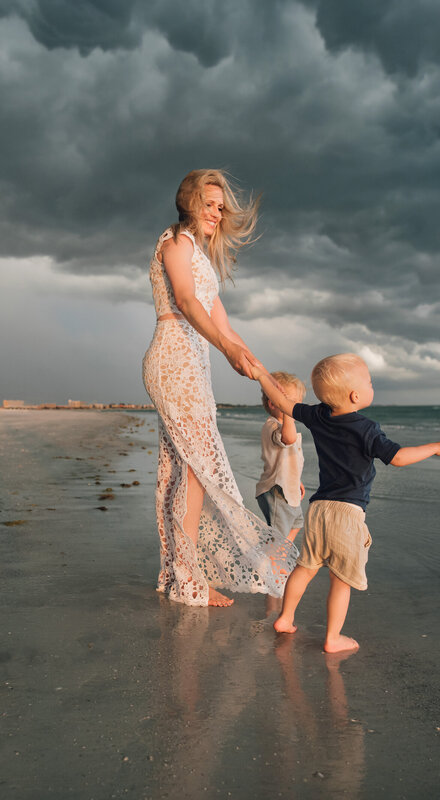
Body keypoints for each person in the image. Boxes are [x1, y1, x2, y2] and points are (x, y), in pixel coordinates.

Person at [142, 169, 297, 607]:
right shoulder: (174, 242)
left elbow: (226, 327)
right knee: (196, 472)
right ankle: (189, 580)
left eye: (221, 206)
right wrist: (227, 352)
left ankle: (178, 573)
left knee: (180, 472)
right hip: (173, 357)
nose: (217, 212)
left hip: (194, 361)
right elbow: (187, 302)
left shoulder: (203, 259)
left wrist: (260, 371)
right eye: (209, 204)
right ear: (189, 201)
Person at [255, 354, 440, 652]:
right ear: (355, 395)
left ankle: (285, 618)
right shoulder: (367, 429)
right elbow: (398, 458)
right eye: (369, 381)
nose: (370, 385)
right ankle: (333, 637)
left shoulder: (319, 416)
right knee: (341, 578)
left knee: (305, 567)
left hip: (319, 508)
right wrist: (436, 447)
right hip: (347, 513)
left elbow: (285, 404)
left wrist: (262, 375)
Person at [255, 371, 306, 548]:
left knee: (297, 522)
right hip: (277, 490)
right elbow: (288, 439)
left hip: (288, 487)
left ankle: (280, 555)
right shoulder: (273, 426)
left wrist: (297, 480)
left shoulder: (284, 425)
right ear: (273, 403)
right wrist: (288, 414)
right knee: (279, 535)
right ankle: (274, 565)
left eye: (296, 403)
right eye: (289, 402)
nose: (294, 406)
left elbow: (289, 460)